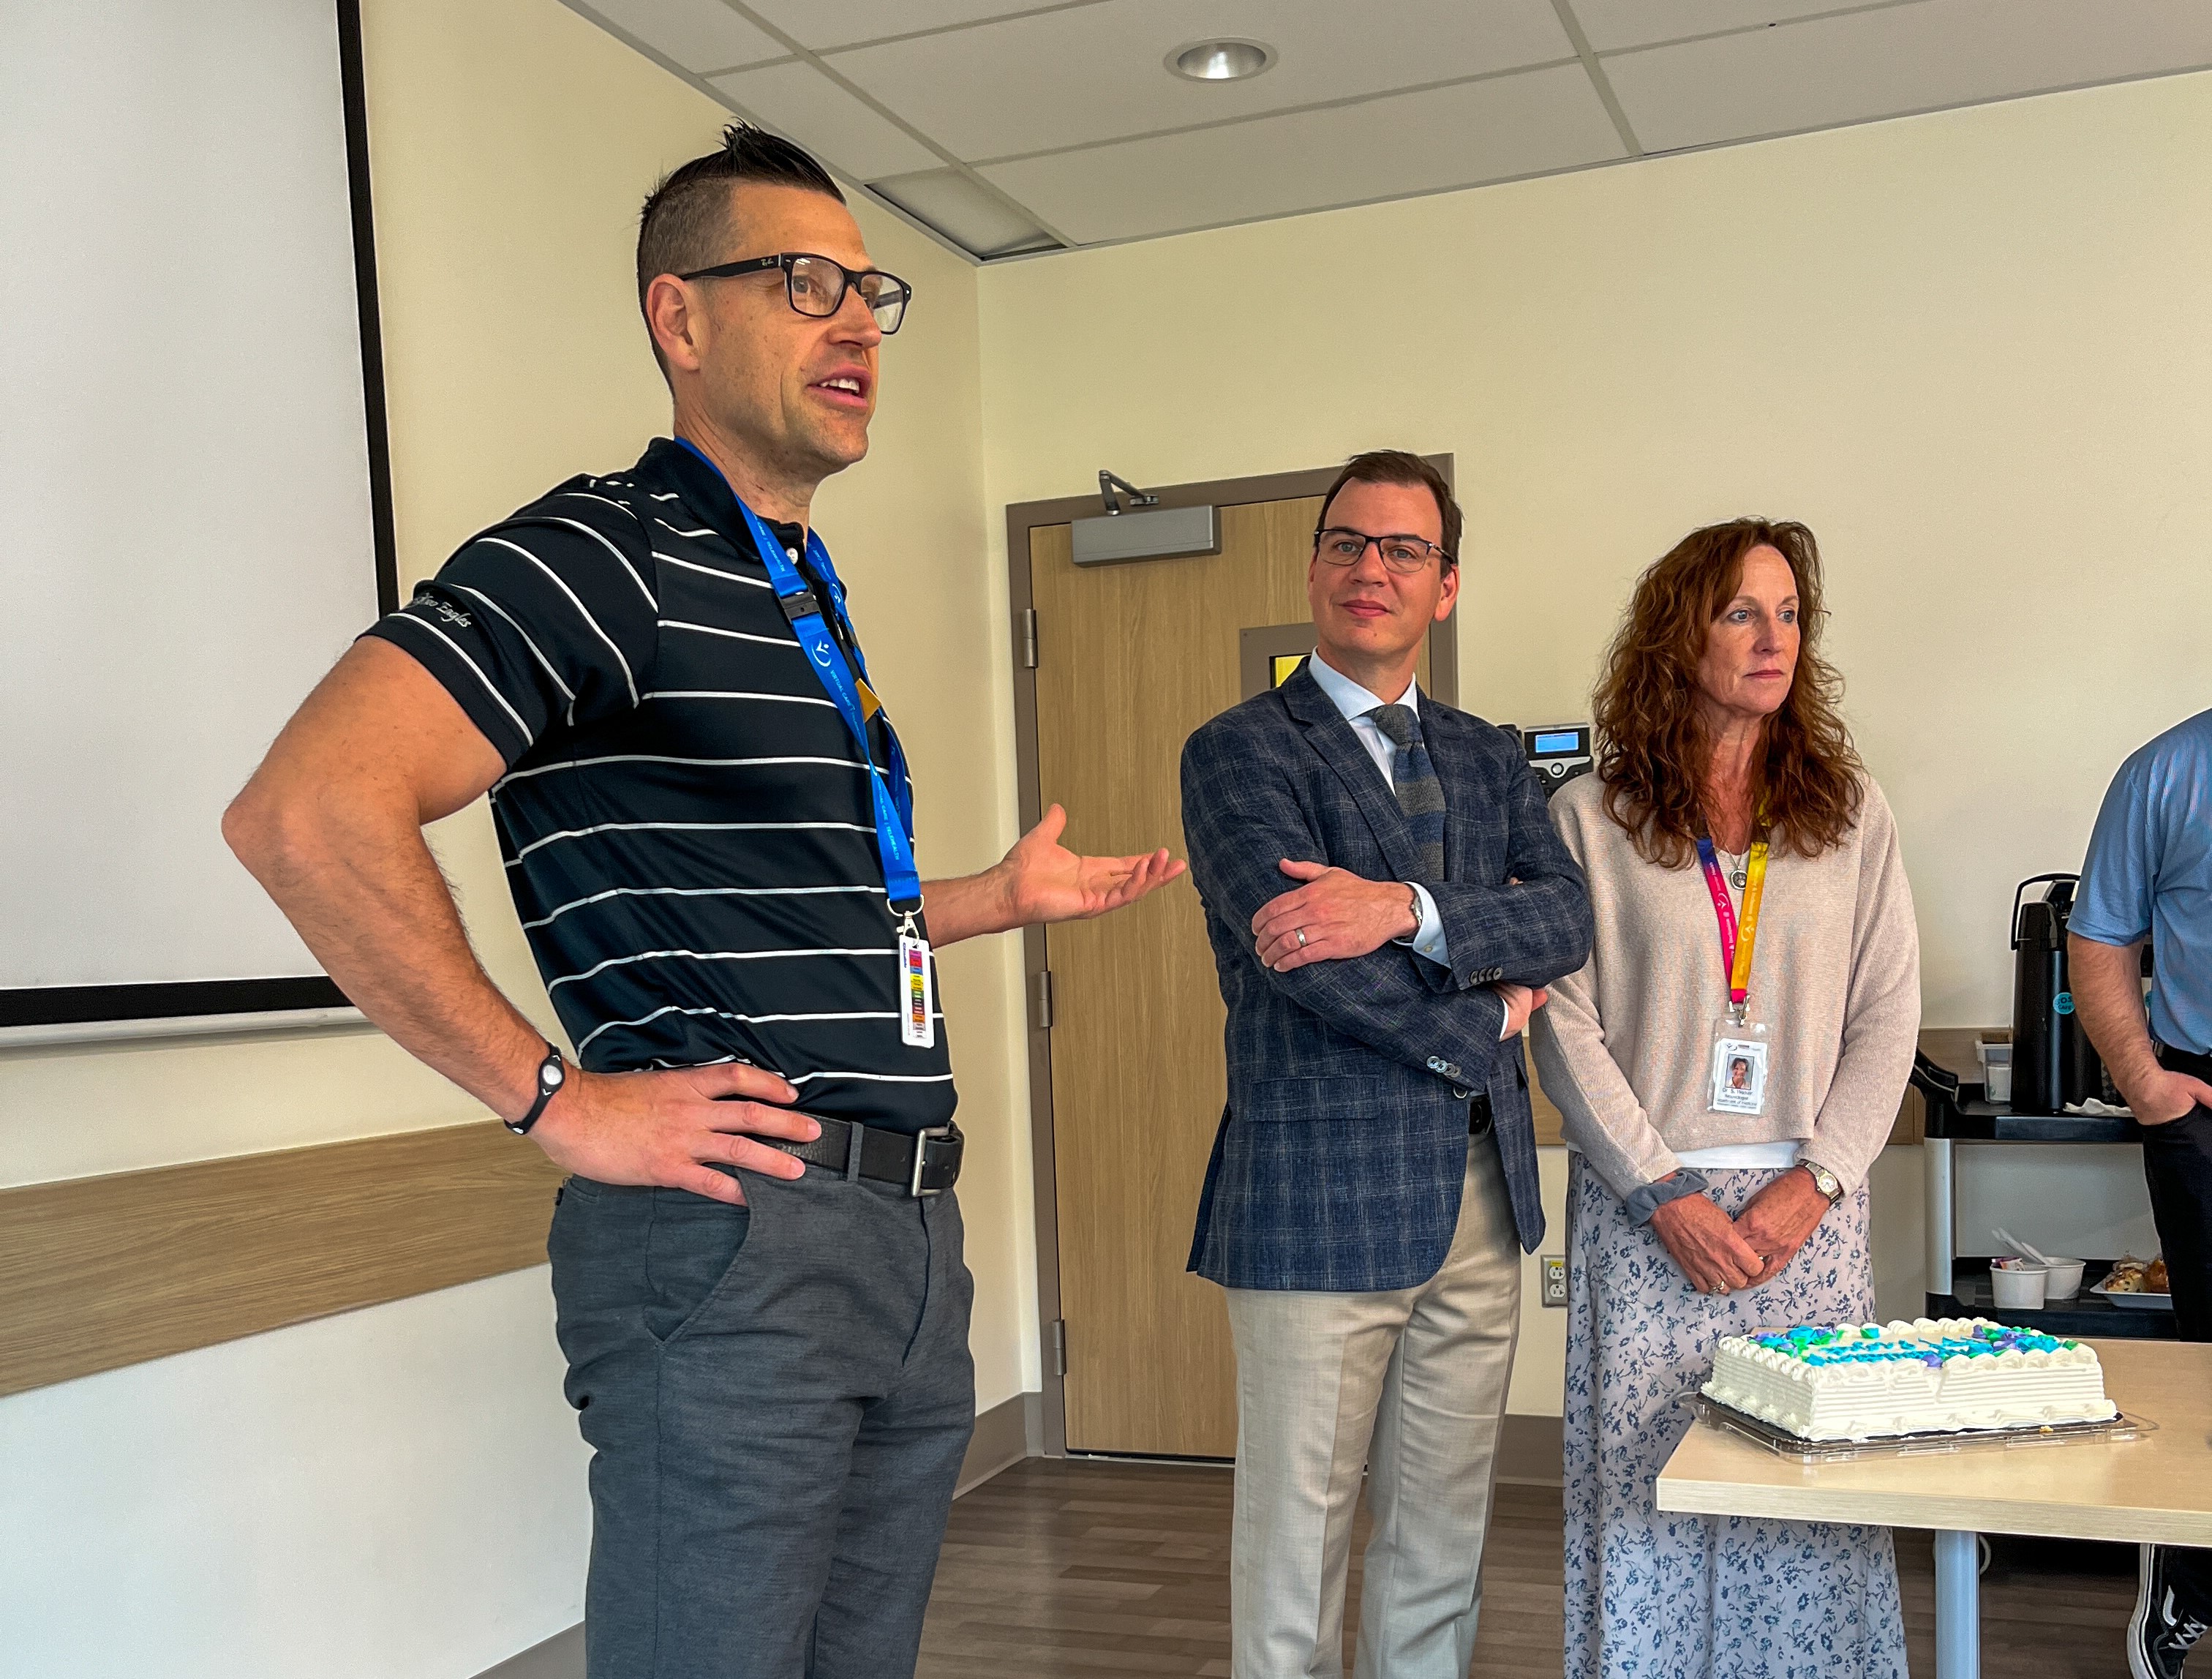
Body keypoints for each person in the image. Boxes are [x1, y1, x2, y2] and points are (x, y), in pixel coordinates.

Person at [223, 125, 1183, 1679]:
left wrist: (982, 899)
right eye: (805, 283)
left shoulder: (797, 585)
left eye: (869, 287)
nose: (858, 321)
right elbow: (304, 810)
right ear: (682, 318)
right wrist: (556, 1098)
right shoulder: (608, 551)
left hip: (905, 1240)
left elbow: (781, 907)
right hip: (738, 1245)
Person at [1178, 450, 1593, 1679]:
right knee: (1294, 1559)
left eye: (1403, 549)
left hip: (1481, 1198)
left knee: (1440, 1543)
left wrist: (1408, 909)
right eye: (1348, 543)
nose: (1372, 569)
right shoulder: (1241, 752)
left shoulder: (1488, 757)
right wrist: (1495, 1019)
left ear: (1445, 587)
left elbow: (1565, 916)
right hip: (1315, 1202)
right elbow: (1302, 955)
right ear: (1314, 565)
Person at [1528, 519, 1919, 1678]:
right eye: (1742, 612)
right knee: (1648, 1492)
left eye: (1790, 614)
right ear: (1675, 633)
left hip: (1809, 1212)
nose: (1773, 638)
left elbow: (1887, 1014)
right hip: (1651, 1212)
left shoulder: (1848, 814)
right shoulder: (1589, 819)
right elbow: (1561, 1017)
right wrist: (1664, 1193)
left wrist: (1819, 1184)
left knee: (1802, 1496)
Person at [2068, 707, 2212, 1679]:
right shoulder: (2166, 773)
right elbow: (2101, 934)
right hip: (2201, 1099)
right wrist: (2144, 1081)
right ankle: (2191, 1585)